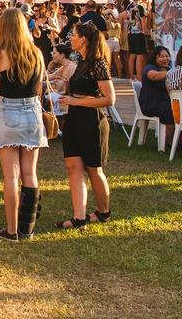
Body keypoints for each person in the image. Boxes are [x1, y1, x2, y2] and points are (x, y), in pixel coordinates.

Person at [0, 8, 48, 241]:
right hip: (32, 110)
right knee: (30, 173)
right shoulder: (36, 53)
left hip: (8, 110)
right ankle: (28, 228)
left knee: (11, 176)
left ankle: (12, 230)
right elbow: (39, 86)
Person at [58, 22, 116, 229]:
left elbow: (110, 99)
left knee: (93, 169)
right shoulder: (80, 61)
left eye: (73, 35)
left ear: (83, 39)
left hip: (92, 120)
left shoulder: (97, 63)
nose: (70, 38)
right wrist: (68, 93)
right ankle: (79, 216)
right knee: (73, 166)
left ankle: (103, 212)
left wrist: (76, 101)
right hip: (74, 119)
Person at [138, 46, 174, 131]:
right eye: (161, 57)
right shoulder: (150, 67)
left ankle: (181, 139)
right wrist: (173, 73)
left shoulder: (168, 69)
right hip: (151, 104)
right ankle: (170, 141)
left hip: (163, 102)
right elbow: (153, 75)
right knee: (170, 111)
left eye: (167, 56)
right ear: (155, 58)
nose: (165, 58)